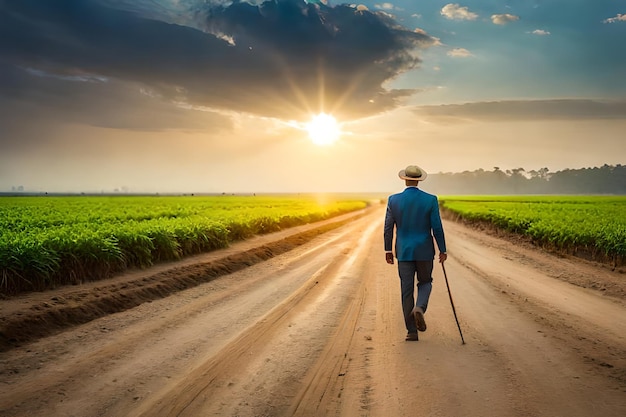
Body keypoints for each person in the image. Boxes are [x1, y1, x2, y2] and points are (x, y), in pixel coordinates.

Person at [384, 165, 447, 341]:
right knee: (426, 282)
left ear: (404, 179)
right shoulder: (430, 200)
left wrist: (388, 249)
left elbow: (388, 227)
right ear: (419, 180)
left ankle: (411, 332)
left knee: (406, 290)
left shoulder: (393, 200)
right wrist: (442, 250)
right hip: (425, 251)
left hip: (404, 252)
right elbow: (437, 228)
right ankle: (420, 307)